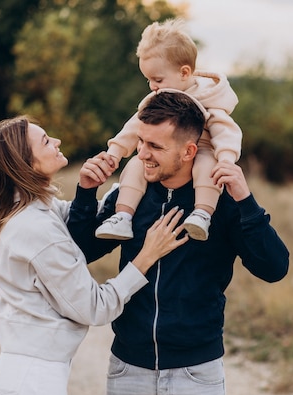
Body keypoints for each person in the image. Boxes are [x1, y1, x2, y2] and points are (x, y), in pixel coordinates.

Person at [68, 91, 289, 395]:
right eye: (141, 142)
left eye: (155, 146)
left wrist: (245, 200)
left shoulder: (222, 203)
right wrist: (86, 192)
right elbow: (81, 252)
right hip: (127, 370)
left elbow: (274, 267)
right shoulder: (130, 197)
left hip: (197, 374)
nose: (142, 154)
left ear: (189, 151)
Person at [0, 116, 189, 395]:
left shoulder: (37, 208)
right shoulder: (36, 228)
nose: (57, 142)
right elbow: (94, 307)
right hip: (34, 377)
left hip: (33, 367)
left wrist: (98, 188)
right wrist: (146, 257)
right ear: (25, 163)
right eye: (46, 141)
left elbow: (81, 224)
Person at [94, 18, 242, 241]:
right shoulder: (159, 98)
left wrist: (226, 159)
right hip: (167, 156)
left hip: (201, 150)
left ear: (184, 73)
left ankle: (202, 213)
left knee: (206, 165)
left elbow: (226, 131)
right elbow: (135, 125)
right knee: (136, 164)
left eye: (157, 79)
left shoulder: (210, 97)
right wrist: (115, 152)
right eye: (148, 80)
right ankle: (123, 217)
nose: (152, 86)